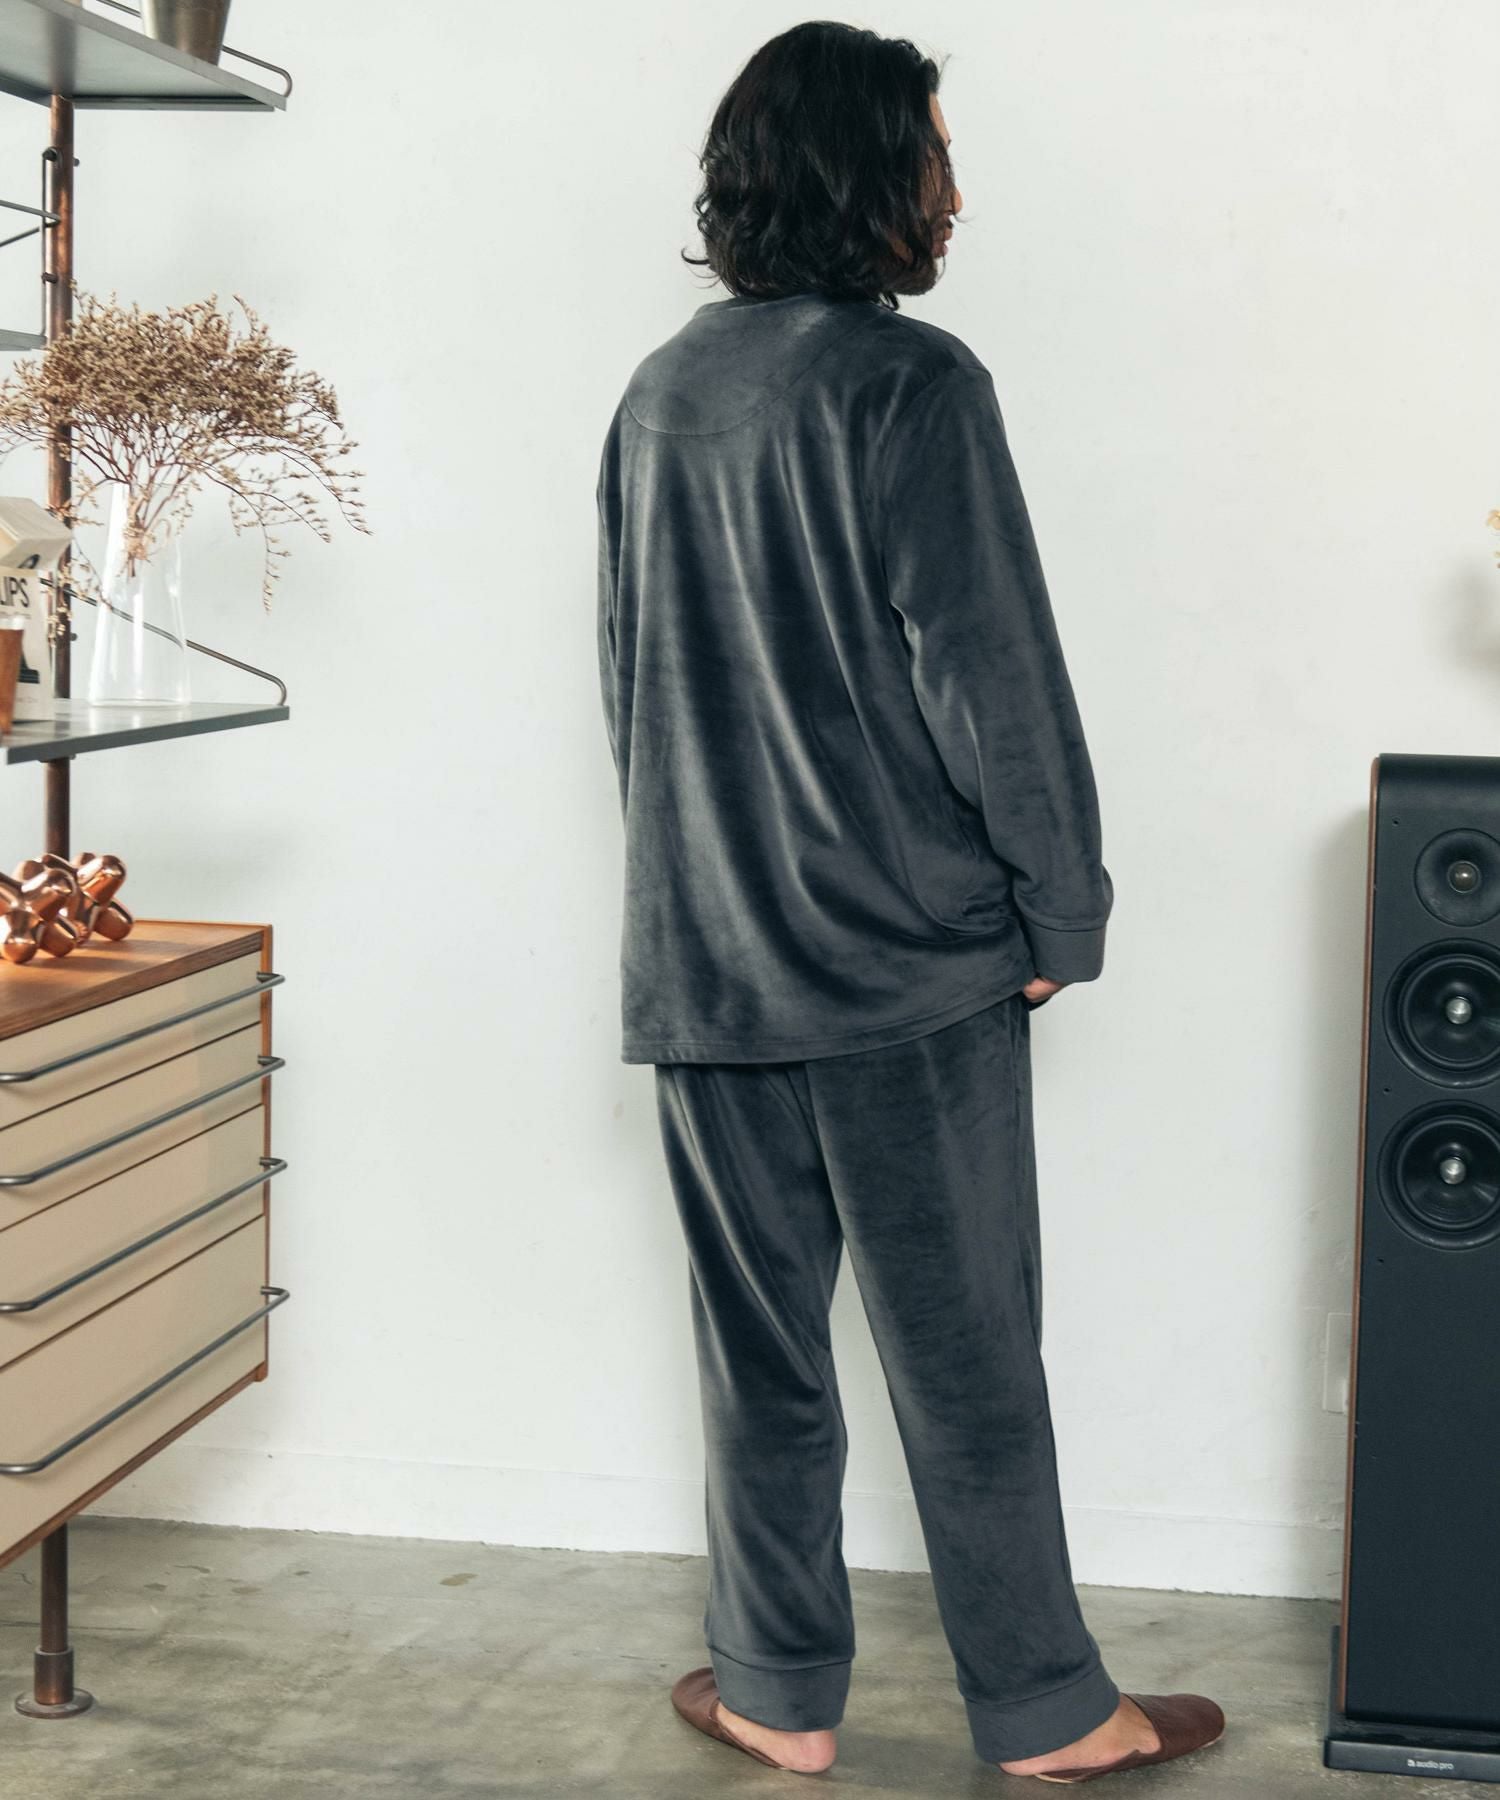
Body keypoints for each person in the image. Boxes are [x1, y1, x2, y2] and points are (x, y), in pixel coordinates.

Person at [594, 20, 1225, 1785]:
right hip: (901, 971)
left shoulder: (660, 389)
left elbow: (636, 683)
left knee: (761, 1363)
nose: (954, 188)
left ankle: (777, 1692)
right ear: (868, 170)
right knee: (966, 1361)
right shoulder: (912, 385)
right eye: (936, 151)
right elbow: (990, 671)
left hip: (707, 967)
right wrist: (1059, 907)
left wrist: (694, 913)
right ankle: (1050, 1710)